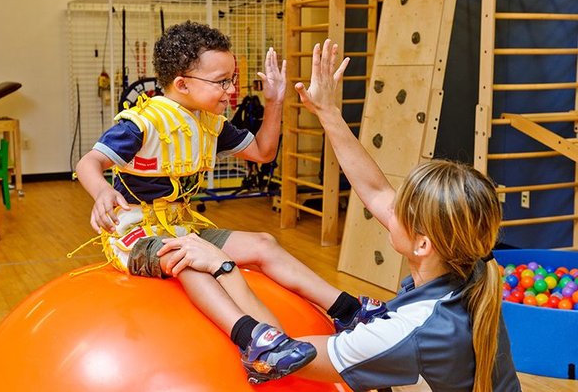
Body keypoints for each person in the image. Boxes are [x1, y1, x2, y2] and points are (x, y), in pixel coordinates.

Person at [159, 40, 522, 391]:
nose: (388, 207)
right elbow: (376, 190)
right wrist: (327, 112)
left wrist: (224, 267)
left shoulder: (412, 330)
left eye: (400, 210)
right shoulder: (470, 266)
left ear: (424, 243)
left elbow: (277, 357)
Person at [75, 21, 319, 384]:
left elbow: (264, 153)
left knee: (264, 243)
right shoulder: (142, 124)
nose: (231, 90)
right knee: (187, 258)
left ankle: (346, 308)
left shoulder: (210, 124)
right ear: (183, 83)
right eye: (221, 81)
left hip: (180, 228)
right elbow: (88, 162)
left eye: (232, 79)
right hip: (134, 236)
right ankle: (252, 341)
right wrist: (101, 191)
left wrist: (274, 102)